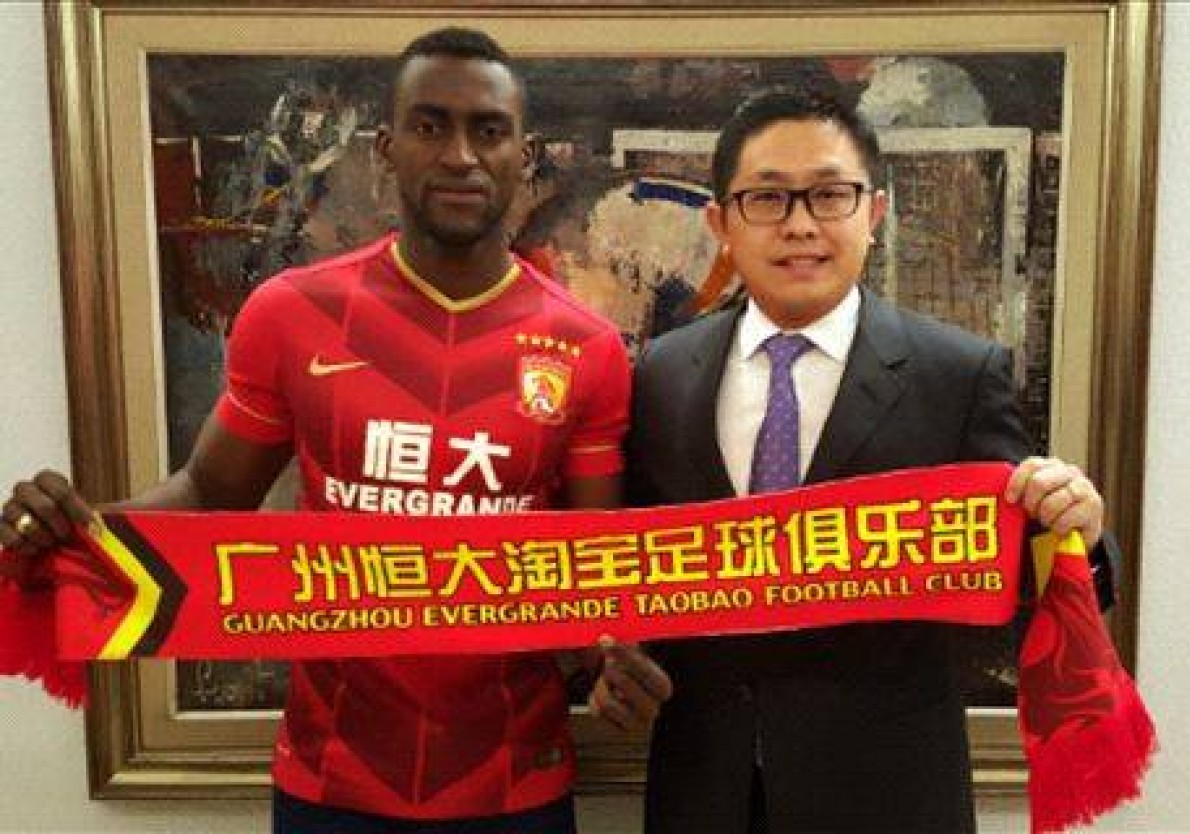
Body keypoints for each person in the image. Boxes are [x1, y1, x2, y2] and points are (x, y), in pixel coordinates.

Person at [0, 27, 669, 834]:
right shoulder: (292, 313)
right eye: (431, 126)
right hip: (330, 779)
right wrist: (78, 537)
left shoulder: (586, 347)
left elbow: (593, 568)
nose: (460, 155)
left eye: (488, 130)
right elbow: (209, 494)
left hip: (513, 782)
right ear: (387, 149)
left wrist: (617, 654)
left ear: (522, 157)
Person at [625, 87, 1116, 833]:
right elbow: (634, 558)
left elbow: (1025, 574)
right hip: (704, 790)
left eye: (830, 195)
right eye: (767, 197)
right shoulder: (662, 372)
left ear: (874, 212)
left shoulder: (956, 374)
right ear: (721, 222)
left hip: (888, 792)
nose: (800, 224)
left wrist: (1077, 532)